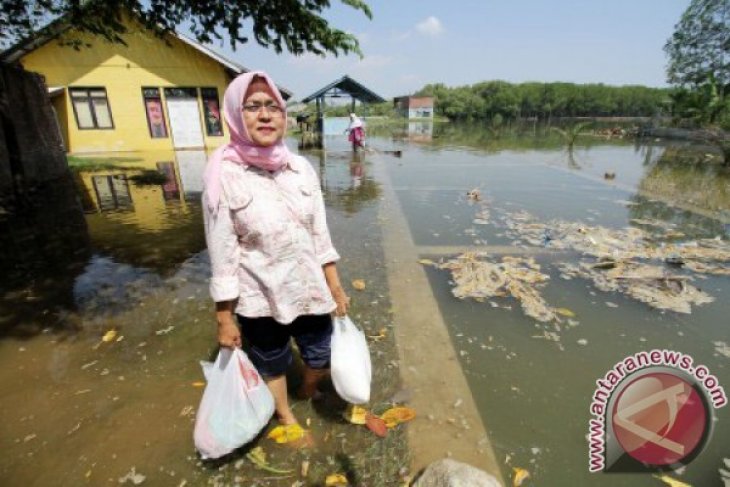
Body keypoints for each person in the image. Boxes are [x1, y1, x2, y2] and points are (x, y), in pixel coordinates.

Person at [202, 71, 350, 428]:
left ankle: (307, 389)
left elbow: (320, 234)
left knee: (321, 354)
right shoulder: (223, 176)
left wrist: (335, 287)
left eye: (273, 106)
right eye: (252, 107)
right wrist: (224, 318)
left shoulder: (300, 168)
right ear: (236, 116)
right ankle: (286, 418)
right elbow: (223, 256)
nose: (265, 115)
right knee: (270, 361)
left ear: (284, 115)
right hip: (260, 298)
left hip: (310, 290)